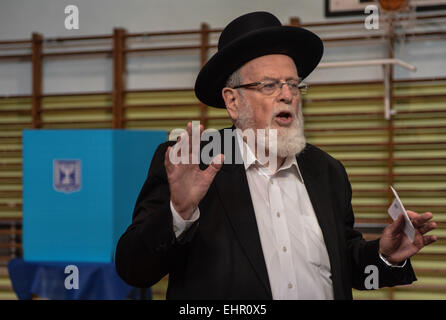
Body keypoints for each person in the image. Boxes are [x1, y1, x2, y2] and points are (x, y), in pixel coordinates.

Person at [115, 11, 437, 300]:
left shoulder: (328, 172)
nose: (287, 95)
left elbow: (344, 266)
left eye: (294, 85)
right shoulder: (192, 162)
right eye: (270, 85)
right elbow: (133, 269)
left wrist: (383, 256)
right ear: (233, 101)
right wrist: (178, 213)